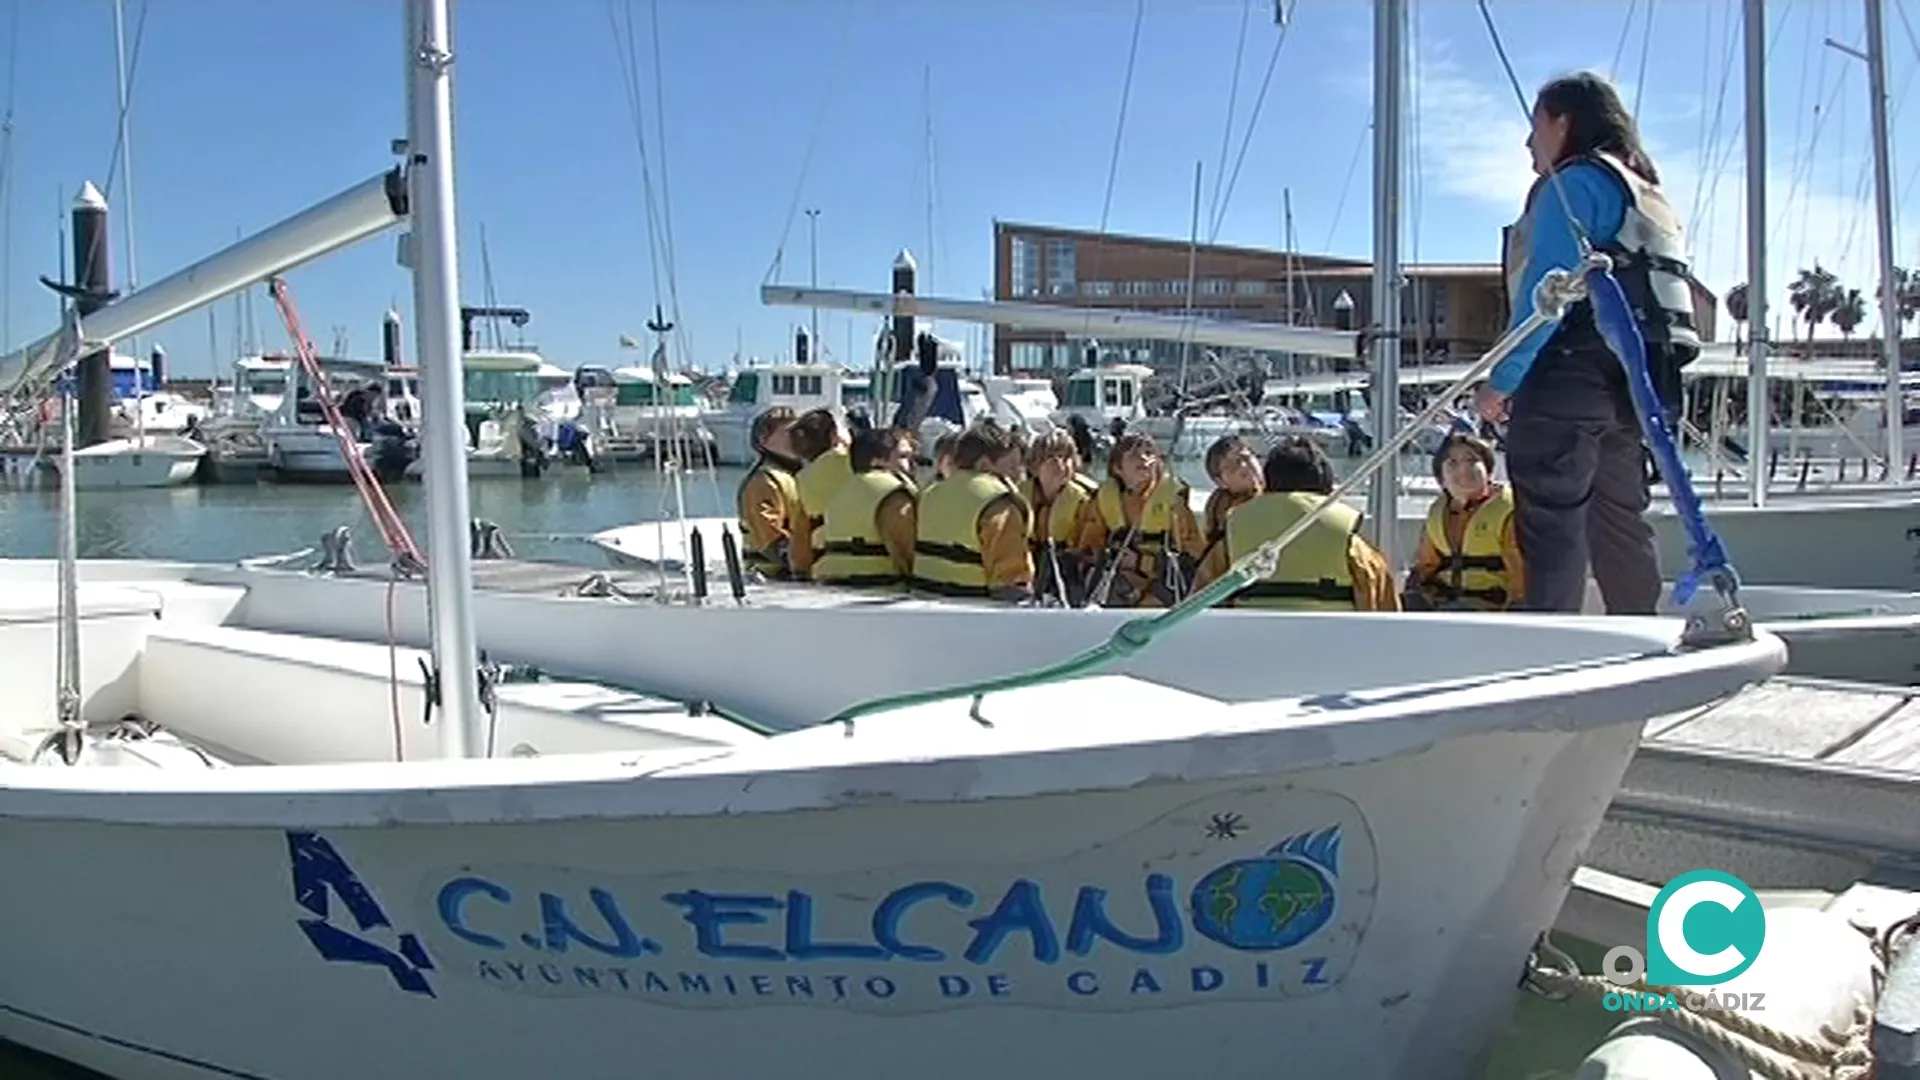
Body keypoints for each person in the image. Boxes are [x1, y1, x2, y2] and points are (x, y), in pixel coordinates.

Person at [1475, 71, 1699, 615]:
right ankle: (1642, 639)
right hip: (1635, 388)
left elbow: (1547, 293)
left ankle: (1552, 661)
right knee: (1620, 522)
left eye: (1536, 126)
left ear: (1563, 121)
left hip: (1567, 377)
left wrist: (1501, 381)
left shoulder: (1574, 185)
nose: (1529, 143)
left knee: (1552, 524)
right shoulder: (1644, 192)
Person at [1223, 437, 1399, 611]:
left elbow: (1205, 589)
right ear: (1325, 483)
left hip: (1251, 633)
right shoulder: (1349, 539)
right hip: (1330, 633)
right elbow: (1379, 596)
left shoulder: (1234, 529)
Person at [1070, 432, 1203, 608]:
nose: (1143, 458)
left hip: (1162, 584)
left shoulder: (1174, 502)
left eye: (1149, 453)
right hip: (1119, 583)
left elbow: (1192, 558)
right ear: (1118, 468)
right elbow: (1089, 549)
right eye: (1134, 455)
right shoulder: (1103, 501)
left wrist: (1141, 562)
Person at [911, 421, 1034, 602]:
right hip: (974, 612)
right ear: (984, 465)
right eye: (1012, 467)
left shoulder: (930, 494)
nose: (1020, 475)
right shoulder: (998, 504)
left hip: (924, 603)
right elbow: (1009, 580)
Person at [1403, 433, 1525, 611]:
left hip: (1492, 610)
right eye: (1452, 462)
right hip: (1444, 607)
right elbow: (1425, 566)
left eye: (1472, 460)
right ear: (1441, 480)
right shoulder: (1438, 512)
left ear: (1489, 472)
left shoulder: (1508, 513)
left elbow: (1520, 577)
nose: (1463, 469)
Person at [813, 427, 919, 588]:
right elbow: (907, 553)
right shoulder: (892, 495)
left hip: (833, 587)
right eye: (903, 456)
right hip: (878, 590)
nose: (910, 464)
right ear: (876, 460)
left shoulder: (841, 493)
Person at [1022, 429, 1099, 605]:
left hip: (1070, 572)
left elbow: (1092, 546)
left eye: (1066, 458)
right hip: (1031, 568)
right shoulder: (1019, 497)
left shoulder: (1087, 500)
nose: (1060, 464)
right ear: (1034, 466)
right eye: (1051, 458)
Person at [734, 406, 802, 578]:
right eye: (788, 433)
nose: (797, 438)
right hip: (771, 576)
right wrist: (800, 563)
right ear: (764, 439)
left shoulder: (798, 476)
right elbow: (769, 537)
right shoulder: (763, 481)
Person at [787, 408, 853, 580]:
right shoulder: (851, 464)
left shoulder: (803, 478)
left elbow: (801, 533)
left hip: (824, 563)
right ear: (834, 435)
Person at [1192, 434, 1264, 590]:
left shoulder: (1277, 496)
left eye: (1247, 458)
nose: (1244, 467)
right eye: (1232, 466)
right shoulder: (1219, 509)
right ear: (1220, 482)